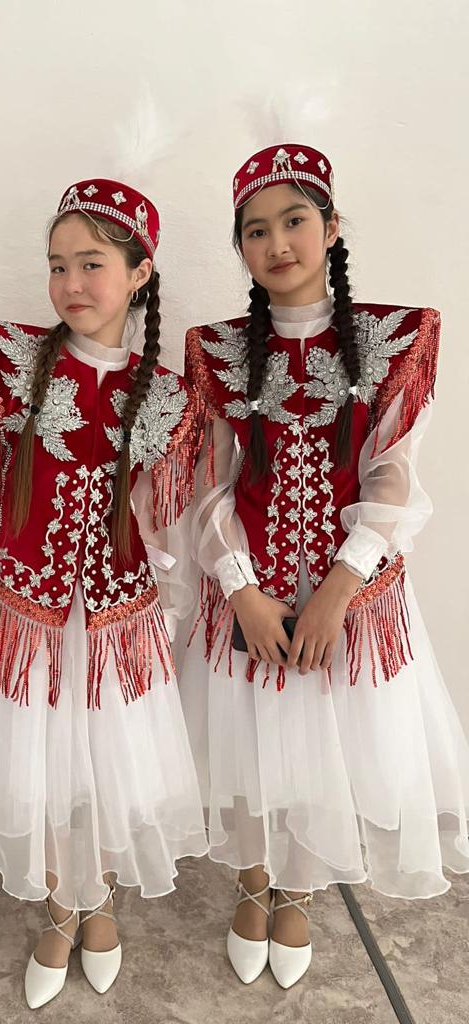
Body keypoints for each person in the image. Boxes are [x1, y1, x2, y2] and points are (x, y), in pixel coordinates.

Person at [0, 178, 207, 1008]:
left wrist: (168, 614)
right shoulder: (7, 365)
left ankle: (97, 895)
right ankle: (58, 902)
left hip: (120, 622)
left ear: (139, 273)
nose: (71, 283)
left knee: (109, 765)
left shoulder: (170, 396)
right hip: (27, 618)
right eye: (57, 265)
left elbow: (167, 519)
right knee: (35, 765)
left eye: (92, 264)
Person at [182, 143, 469, 989]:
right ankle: (254, 878)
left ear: (333, 225)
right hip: (251, 593)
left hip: (355, 596)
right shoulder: (216, 351)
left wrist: (339, 591)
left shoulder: (395, 338)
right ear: (240, 245)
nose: (277, 243)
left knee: (324, 742)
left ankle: (298, 884)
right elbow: (208, 485)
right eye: (256, 230)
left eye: (295, 221)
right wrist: (242, 591)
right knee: (250, 741)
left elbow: (393, 475)